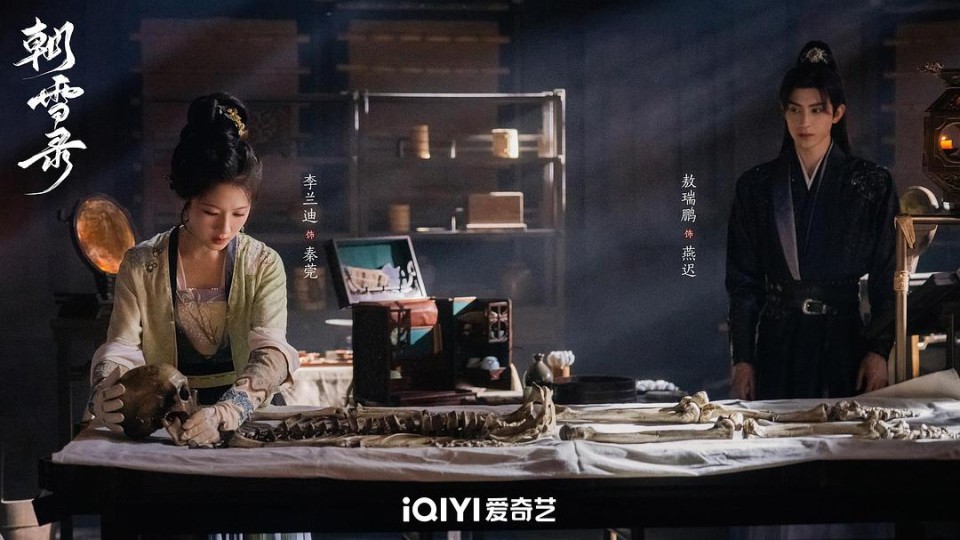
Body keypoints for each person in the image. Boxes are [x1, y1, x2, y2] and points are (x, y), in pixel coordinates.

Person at [86, 92, 299, 446]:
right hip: (164, 423)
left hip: (246, 419)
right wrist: (106, 390)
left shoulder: (262, 264)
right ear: (187, 200)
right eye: (210, 213)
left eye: (239, 214)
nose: (225, 229)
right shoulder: (142, 264)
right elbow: (121, 348)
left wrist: (228, 411)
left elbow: (272, 350)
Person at [726, 41, 898, 400]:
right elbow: (743, 282)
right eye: (795, 110)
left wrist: (879, 350)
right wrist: (742, 358)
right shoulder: (755, 186)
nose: (804, 122)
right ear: (783, 112)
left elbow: (887, 275)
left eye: (817, 110)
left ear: (837, 113)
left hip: (844, 341)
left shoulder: (872, 183)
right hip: (778, 342)